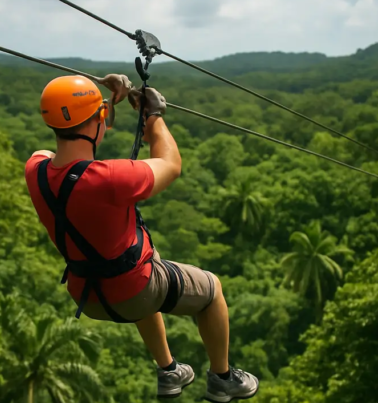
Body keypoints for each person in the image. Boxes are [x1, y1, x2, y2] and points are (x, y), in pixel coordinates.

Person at [24, 74, 259, 402]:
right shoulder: (109, 178)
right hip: (135, 292)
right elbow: (170, 164)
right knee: (212, 291)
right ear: (100, 120)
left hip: (87, 295)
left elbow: (54, 148)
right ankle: (222, 378)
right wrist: (154, 115)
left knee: (147, 258)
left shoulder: (34, 170)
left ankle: (169, 370)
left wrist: (98, 103)